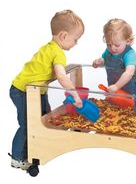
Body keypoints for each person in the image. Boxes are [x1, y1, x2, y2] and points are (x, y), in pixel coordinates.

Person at [9, 9, 84, 170]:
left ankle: (40, 146)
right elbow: (62, 77)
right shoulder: (58, 53)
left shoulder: (48, 47)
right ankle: (17, 158)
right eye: (75, 39)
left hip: (36, 90)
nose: (76, 43)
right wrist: (75, 95)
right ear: (63, 36)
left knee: (46, 116)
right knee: (28, 124)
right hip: (23, 91)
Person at [92, 18, 136, 95]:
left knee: (131, 106)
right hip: (115, 92)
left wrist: (117, 86)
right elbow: (104, 59)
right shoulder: (108, 51)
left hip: (132, 94)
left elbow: (129, 72)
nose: (112, 48)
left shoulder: (130, 55)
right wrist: (99, 62)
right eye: (109, 44)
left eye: (117, 45)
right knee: (114, 105)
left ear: (128, 41)